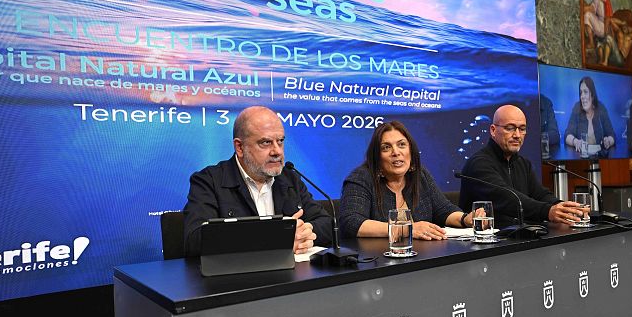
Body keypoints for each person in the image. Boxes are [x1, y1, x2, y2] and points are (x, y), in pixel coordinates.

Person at [183, 106, 332, 256]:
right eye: (266, 143)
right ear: (239, 147)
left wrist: (305, 232)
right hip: (237, 277)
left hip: (293, 275)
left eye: (280, 141)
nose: (277, 151)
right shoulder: (209, 181)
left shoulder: (289, 178)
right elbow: (195, 240)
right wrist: (276, 240)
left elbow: (326, 223)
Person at [339, 121, 480, 240]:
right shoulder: (361, 178)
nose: (396, 152)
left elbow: (443, 210)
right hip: (375, 262)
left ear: (410, 151)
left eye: (401, 145)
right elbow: (351, 223)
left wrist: (465, 219)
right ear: (377, 156)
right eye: (386, 147)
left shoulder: (419, 175)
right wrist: (406, 229)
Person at [458, 105, 587, 228]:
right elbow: (509, 199)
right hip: (484, 243)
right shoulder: (478, 164)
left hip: (519, 237)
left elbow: (540, 195)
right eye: (510, 128)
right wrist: (548, 211)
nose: (517, 135)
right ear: (493, 130)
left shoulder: (523, 163)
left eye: (522, 129)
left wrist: (565, 209)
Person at [564, 76, 616, 154]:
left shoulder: (601, 108)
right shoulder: (577, 108)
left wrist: (608, 141)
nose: (582, 96)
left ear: (592, 94)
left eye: (585, 92)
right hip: (581, 159)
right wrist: (575, 142)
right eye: (581, 93)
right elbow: (567, 135)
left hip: (600, 158)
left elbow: (612, 135)